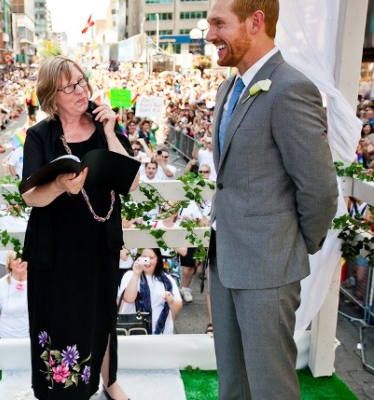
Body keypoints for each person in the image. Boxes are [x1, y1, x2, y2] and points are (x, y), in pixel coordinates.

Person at [206, 1, 338, 399]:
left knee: (270, 387)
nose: (209, 35)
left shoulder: (290, 88)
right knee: (233, 382)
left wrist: (291, 247)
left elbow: (319, 190)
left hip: (269, 270)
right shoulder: (228, 87)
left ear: (255, 22)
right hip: (225, 259)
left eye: (218, 24)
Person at [21, 56, 138, 400]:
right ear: (51, 96)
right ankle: (58, 391)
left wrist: (110, 132)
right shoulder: (40, 135)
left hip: (99, 242)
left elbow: (130, 182)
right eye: (70, 86)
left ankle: (109, 381)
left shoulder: (104, 124)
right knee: (56, 318)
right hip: (55, 247)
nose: (81, 91)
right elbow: (30, 196)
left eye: (82, 82)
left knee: (102, 312)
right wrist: (59, 186)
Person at [118, 248, 182, 335]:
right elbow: (129, 299)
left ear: (158, 259)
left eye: (151, 258)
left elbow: (177, 309)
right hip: (134, 331)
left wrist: (171, 301)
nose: (147, 261)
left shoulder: (167, 280)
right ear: (138, 258)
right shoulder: (129, 275)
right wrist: (136, 274)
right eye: (144, 257)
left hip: (162, 333)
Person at [0, 251, 29, 339]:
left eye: (23, 258)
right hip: (5, 338)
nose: (19, 261)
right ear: (9, 264)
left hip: (30, 340)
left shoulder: (38, 283)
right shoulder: (1, 284)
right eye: (15, 259)